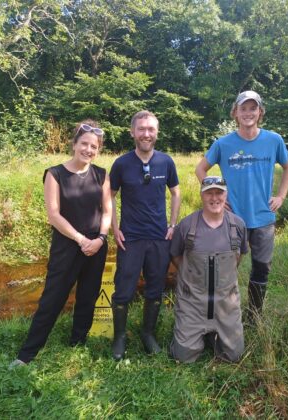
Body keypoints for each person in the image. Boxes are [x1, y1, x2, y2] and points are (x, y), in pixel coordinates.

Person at [11, 119, 111, 367]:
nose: (89, 150)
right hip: (67, 246)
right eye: (84, 144)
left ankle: (78, 342)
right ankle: (27, 354)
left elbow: (108, 210)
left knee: (88, 298)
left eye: (94, 147)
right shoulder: (55, 174)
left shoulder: (101, 175)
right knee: (52, 299)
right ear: (74, 144)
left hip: (96, 247)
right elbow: (54, 215)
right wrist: (80, 240)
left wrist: (100, 239)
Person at [195, 90, 288, 318]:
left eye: (253, 108)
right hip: (232, 219)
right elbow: (200, 169)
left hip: (263, 218)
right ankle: (224, 315)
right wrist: (217, 198)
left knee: (261, 269)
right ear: (235, 113)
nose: (248, 113)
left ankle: (254, 316)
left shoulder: (273, 140)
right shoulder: (223, 144)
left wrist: (281, 196)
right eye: (243, 108)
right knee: (226, 270)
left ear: (260, 112)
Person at [109, 110, 180, 360]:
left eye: (150, 129)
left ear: (157, 132)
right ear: (132, 132)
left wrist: (172, 225)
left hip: (159, 239)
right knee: (123, 290)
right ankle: (119, 337)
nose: (146, 134)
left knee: (154, 289)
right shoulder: (121, 164)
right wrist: (114, 227)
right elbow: (110, 196)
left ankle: (148, 334)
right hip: (131, 238)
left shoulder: (166, 162)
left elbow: (176, 193)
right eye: (141, 129)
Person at [169, 176, 248, 363]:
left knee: (234, 356)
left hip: (226, 305)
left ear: (226, 195)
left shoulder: (238, 225)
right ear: (201, 196)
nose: (214, 198)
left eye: (219, 193)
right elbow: (175, 256)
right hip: (193, 304)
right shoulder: (186, 226)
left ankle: (214, 335)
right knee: (183, 357)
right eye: (209, 193)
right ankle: (194, 334)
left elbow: (239, 257)